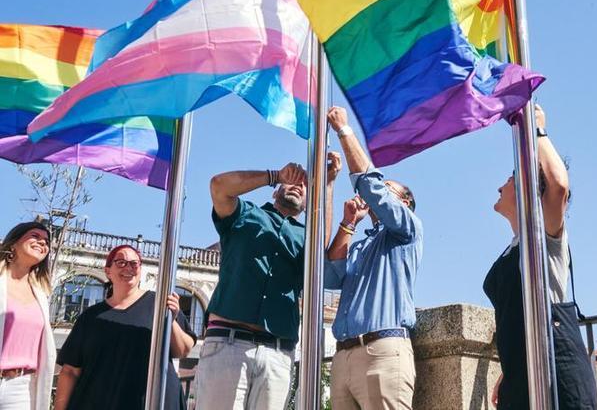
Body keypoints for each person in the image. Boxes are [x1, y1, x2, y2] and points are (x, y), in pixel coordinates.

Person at [195, 154, 341, 409]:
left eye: (306, 186)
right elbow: (218, 186)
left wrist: (327, 185)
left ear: (309, 204)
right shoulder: (246, 214)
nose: (299, 185)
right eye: (293, 181)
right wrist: (274, 175)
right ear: (276, 192)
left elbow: (321, 248)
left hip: (277, 353)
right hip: (229, 345)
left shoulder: (305, 236)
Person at [484, 105, 597, 409]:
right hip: (524, 372)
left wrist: (537, 130)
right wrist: (510, 371)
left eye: (510, 179)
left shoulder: (544, 239)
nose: (500, 185)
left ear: (528, 189)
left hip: (556, 373)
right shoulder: (513, 248)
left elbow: (558, 186)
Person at [324, 106, 423, 410]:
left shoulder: (407, 229)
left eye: (388, 191)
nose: (377, 197)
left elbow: (371, 187)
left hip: (383, 350)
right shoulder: (362, 244)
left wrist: (344, 130)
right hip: (344, 356)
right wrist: (348, 223)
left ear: (404, 203)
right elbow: (330, 276)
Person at [54, 245, 196, 410]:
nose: (128, 267)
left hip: (151, 402)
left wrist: (171, 318)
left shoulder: (160, 304)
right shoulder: (90, 317)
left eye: (134, 264)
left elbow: (183, 350)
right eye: (121, 262)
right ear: (108, 271)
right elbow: (70, 371)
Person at [0, 222, 55, 410]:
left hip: (21, 388)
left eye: (46, 241)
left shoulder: (41, 293)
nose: (42, 242)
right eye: (35, 236)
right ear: (13, 243)